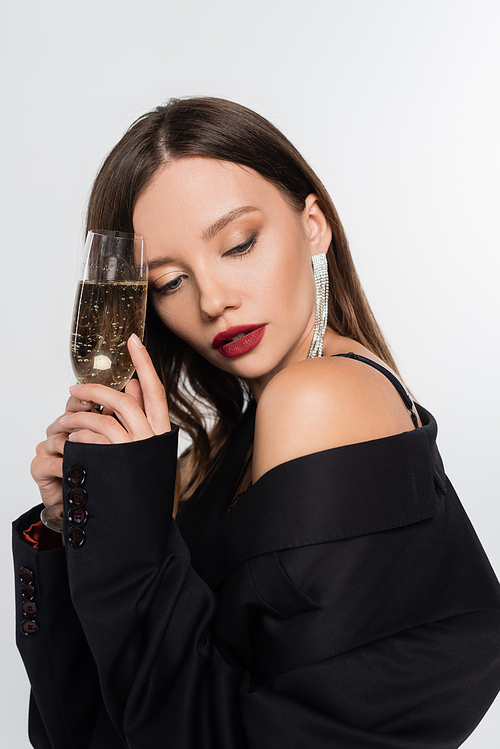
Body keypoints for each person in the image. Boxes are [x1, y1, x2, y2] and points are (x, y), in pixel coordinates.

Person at [13, 96, 500, 749]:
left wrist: (128, 539)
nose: (214, 300)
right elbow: (90, 731)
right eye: (170, 281)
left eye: (238, 244)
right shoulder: (214, 454)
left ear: (313, 225)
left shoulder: (318, 399)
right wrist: (69, 528)